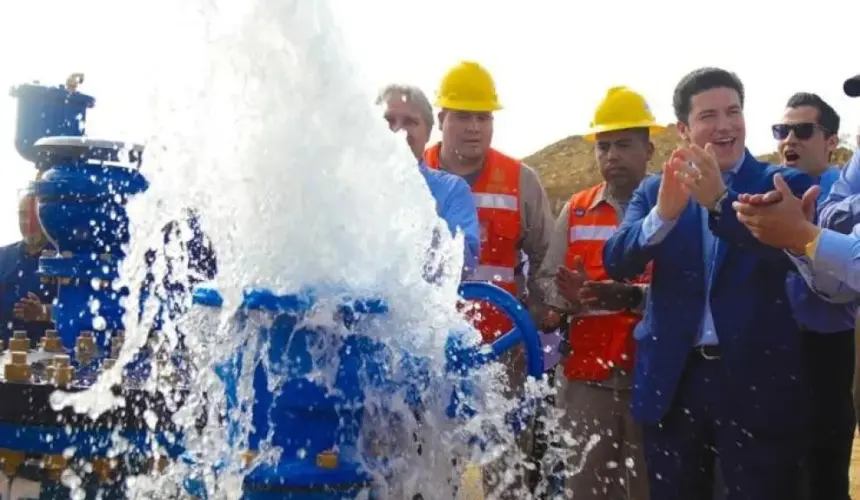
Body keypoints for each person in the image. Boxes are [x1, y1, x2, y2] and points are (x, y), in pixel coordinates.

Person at [601, 67, 814, 500]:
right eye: (709, 115)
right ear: (684, 130)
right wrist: (662, 216)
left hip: (756, 381)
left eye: (733, 112)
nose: (724, 126)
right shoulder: (655, 191)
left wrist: (720, 201)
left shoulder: (782, 184)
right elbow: (618, 260)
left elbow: (785, 250)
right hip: (674, 382)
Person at [423, 61, 554, 499]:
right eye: (463, 116)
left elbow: (545, 261)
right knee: (427, 468)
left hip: (503, 357)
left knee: (506, 477)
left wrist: (540, 317)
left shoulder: (521, 181)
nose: (474, 128)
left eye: (484, 117)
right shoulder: (410, 175)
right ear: (441, 120)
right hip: (427, 353)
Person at [538, 86, 659, 500]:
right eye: (603, 146)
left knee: (647, 487)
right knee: (586, 488)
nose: (611, 156)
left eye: (623, 145)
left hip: (653, 375)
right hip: (588, 378)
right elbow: (545, 283)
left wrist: (627, 294)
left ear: (649, 148)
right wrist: (565, 300)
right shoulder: (576, 209)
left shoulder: (676, 207)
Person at [773, 92, 857, 500]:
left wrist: (800, 236)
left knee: (822, 479)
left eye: (803, 130)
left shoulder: (842, 202)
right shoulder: (763, 194)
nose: (790, 140)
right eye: (782, 130)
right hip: (767, 355)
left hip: (825, 356)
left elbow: (841, 286)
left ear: (831, 142)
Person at [376, 84, 480, 276]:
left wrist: (419, 224)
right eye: (389, 120)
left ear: (428, 133)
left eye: (410, 122)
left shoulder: (452, 190)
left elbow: (465, 264)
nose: (399, 130)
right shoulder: (349, 189)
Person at [0, 192, 57, 345]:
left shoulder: (63, 261)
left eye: (36, 217)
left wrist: (43, 312)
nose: (28, 223)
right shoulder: (3, 256)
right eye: (22, 215)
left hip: (46, 357)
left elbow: (77, 312)